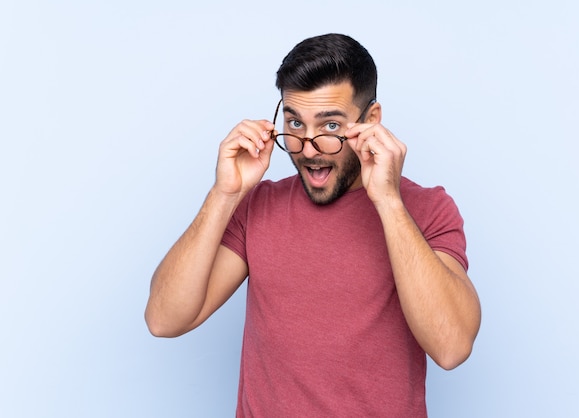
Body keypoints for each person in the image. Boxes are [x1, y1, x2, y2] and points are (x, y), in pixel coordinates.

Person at [145, 33, 481, 417]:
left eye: (331, 127)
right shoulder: (259, 206)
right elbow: (163, 319)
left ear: (370, 121)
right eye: (295, 123)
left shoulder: (426, 209)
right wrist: (224, 194)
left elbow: (451, 347)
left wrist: (388, 201)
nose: (307, 148)